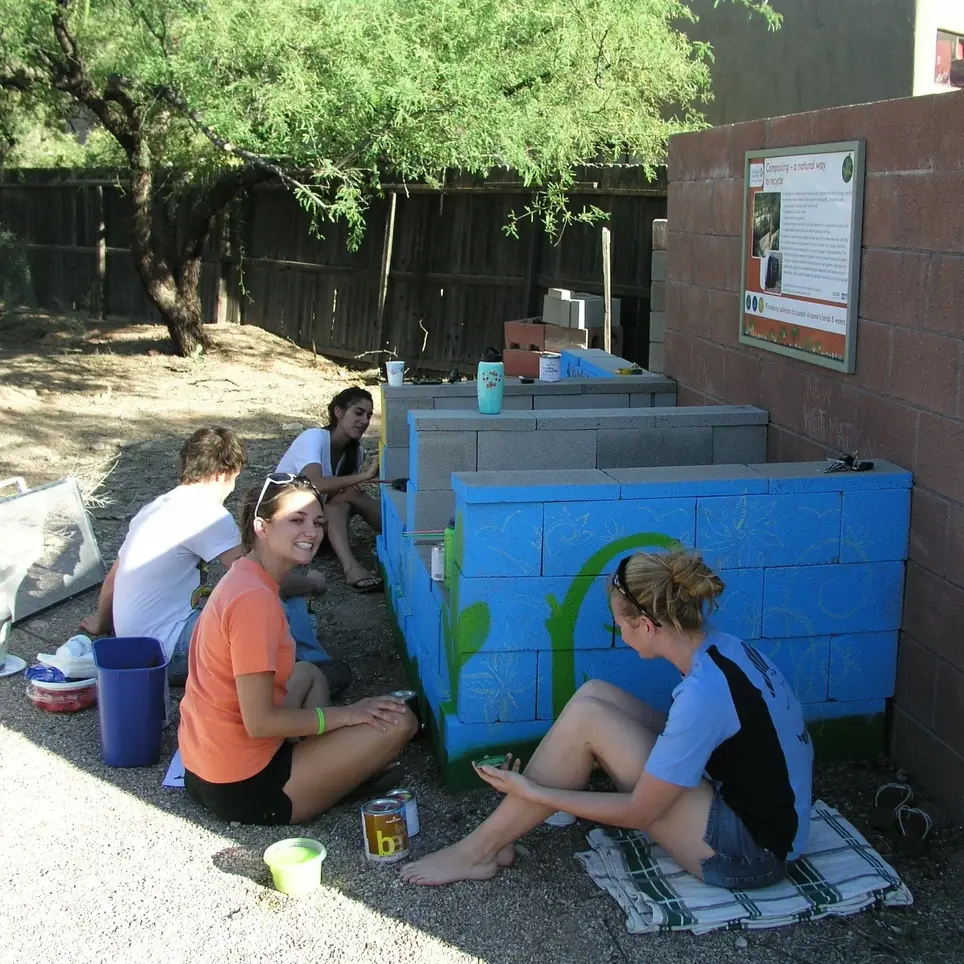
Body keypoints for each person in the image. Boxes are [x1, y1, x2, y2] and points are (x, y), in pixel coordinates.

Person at [401, 549, 813, 890]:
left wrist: (536, 792)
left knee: (590, 721)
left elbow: (640, 813)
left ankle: (477, 851)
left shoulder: (703, 693)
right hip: (761, 816)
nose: (618, 633)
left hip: (751, 854)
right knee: (593, 696)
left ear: (647, 626)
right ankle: (500, 838)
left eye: (620, 625)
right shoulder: (723, 649)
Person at [178, 473, 418, 825]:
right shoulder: (254, 602)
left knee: (308, 673)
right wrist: (350, 713)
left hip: (201, 767)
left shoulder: (244, 575)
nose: (313, 531)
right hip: (245, 787)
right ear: (261, 527)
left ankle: (328, 766)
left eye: (318, 522)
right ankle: (330, 780)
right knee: (400, 722)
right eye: (297, 520)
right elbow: (259, 722)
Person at [80, 428, 343, 692]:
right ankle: (313, 669)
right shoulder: (207, 513)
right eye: (234, 479)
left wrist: (102, 623)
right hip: (168, 652)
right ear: (222, 474)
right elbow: (259, 578)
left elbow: (114, 578)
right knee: (277, 606)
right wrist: (311, 583)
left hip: (133, 646)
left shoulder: (154, 507)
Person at [276, 387, 383, 593]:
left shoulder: (355, 451)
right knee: (345, 495)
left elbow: (337, 495)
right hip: (284, 525)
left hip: (313, 526)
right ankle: (351, 567)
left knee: (348, 494)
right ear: (339, 413)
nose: (365, 421)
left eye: (369, 416)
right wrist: (365, 476)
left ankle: (401, 531)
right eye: (358, 413)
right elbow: (314, 484)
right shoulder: (314, 437)